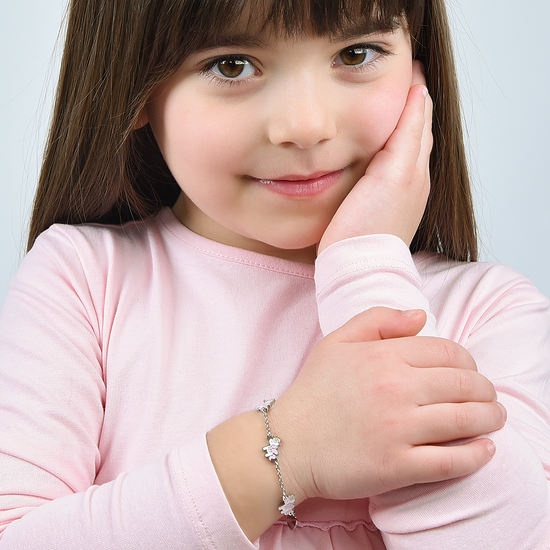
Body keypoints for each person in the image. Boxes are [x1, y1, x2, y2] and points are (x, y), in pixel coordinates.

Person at [0, 0, 548, 547]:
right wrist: (289, 447)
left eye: (357, 53)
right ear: (137, 85)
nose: (306, 126)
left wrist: (365, 269)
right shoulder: (85, 282)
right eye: (232, 65)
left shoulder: (487, 313)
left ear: (417, 67)